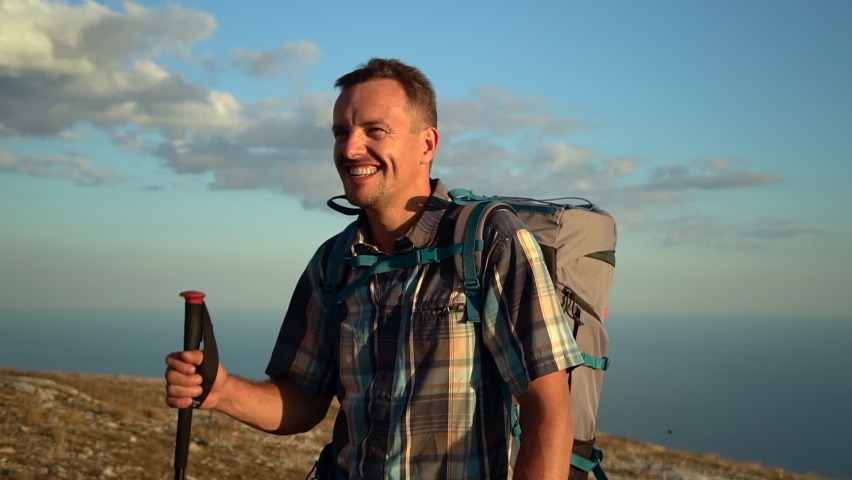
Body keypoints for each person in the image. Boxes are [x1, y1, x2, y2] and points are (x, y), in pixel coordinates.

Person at [165, 58, 585, 479]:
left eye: (375, 131)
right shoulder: (334, 262)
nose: (350, 149)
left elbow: (548, 411)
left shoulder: (487, 241)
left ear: (427, 145)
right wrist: (221, 391)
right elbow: (303, 401)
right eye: (341, 133)